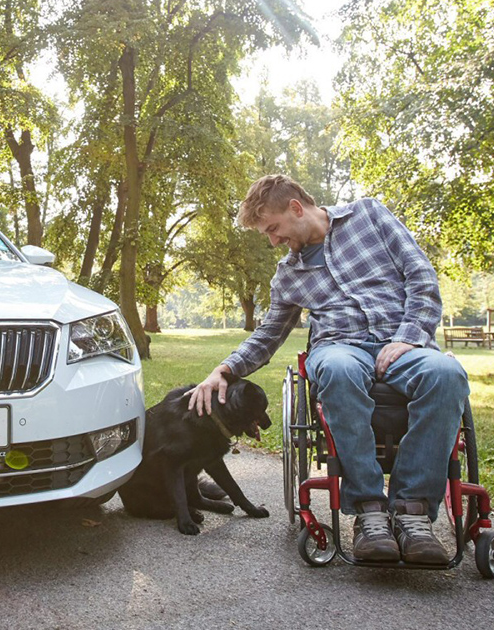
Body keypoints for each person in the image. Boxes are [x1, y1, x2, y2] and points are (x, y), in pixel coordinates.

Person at [187, 174, 469, 564]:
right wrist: (226, 368)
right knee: (337, 369)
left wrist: (409, 336)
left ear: (296, 208)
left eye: (274, 229)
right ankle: (369, 512)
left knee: (447, 374)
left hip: (403, 343)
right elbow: (269, 334)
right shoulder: (289, 274)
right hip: (339, 348)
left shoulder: (369, 216)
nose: (273, 241)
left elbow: (421, 276)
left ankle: (413, 512)